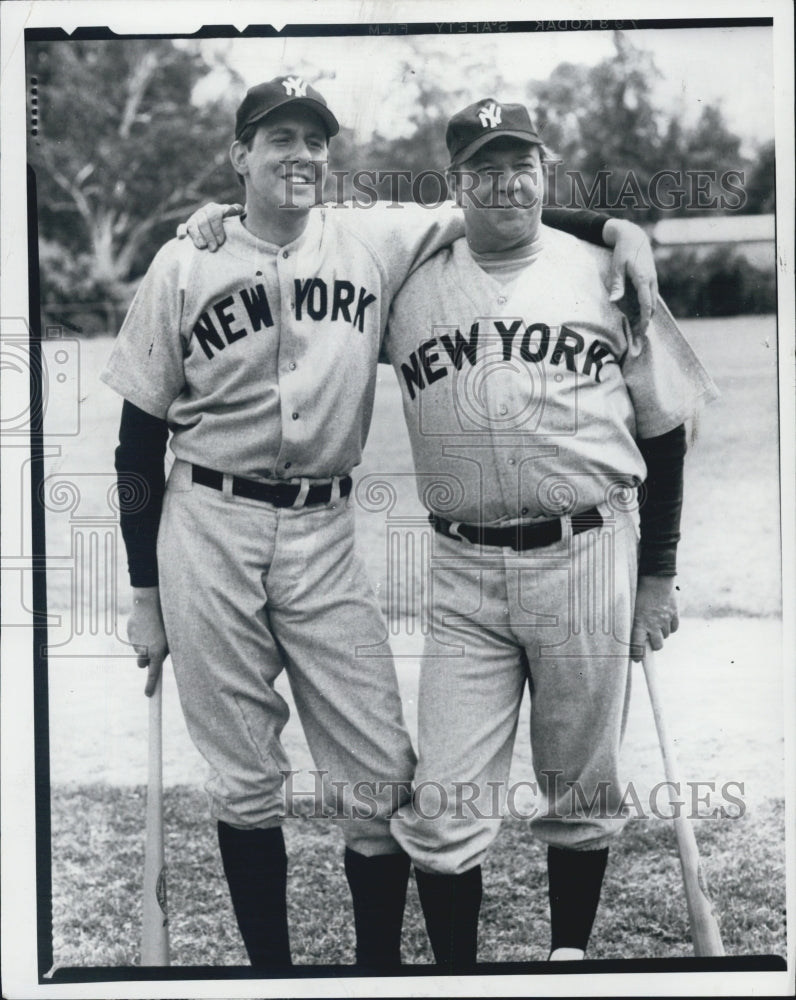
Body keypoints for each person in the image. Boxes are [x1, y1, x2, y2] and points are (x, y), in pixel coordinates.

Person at [108, 75, 660, 972]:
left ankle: (377, 977)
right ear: (239, 155)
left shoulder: (373, 234)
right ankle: (272, 979)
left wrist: (618, 228)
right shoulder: (183, 261)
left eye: (314, 140)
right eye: (277, 139)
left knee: (378, 774)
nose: (300, 155)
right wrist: (142, 593)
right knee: (248, 780)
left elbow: (506, 206)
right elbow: (136, 440)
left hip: (324, 534)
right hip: (204, 521)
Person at [375, 99, 718, 970]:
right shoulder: (409, 275)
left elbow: (664, 429)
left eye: (521, 164)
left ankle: (568, 959)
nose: (507, 183)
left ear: (545, 170)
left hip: (591, 550)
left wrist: (658, 576)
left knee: (582, 780)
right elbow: (304, 249)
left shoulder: (606, 272)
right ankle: (457, 977)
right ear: (455, 185)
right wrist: (222, 217)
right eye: (484, 169)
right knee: (446, 800)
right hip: (459, 565)